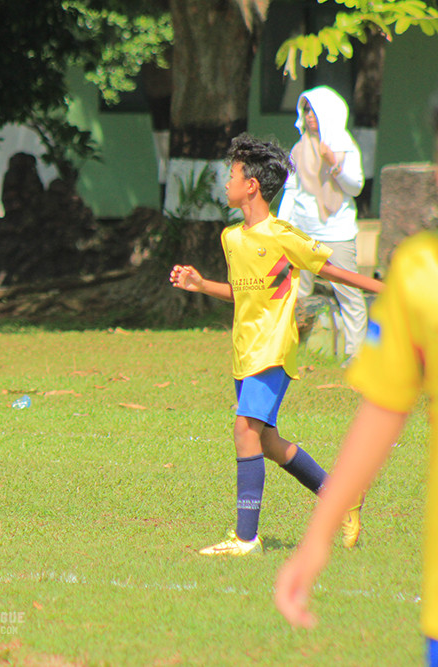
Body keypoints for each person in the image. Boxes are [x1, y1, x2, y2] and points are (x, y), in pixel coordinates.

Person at [275, 95, 438, 660]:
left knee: (348, 306)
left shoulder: (421, 272)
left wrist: (314, 542)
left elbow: (379, 419)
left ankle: (352, 355)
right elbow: (378, 418)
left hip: (337, 237)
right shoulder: (421, 275)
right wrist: (319, 537)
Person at [169, 133, 384, 556]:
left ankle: (245, 538)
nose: (225, 183)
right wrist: (200, 284)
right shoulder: (231, 238)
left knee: (243, 430)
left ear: (251, 185)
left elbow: (337, 273)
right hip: (244, 354)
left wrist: (388, 289)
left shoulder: (283, 236)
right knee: (265, 442)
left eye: (231, 175)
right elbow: (242, 291)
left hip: (273, 351)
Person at [277, 86, 368, 365]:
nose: (309, 116)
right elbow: (291, 190)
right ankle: (288, 349)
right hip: (304, 233)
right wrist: (281, 226)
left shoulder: (344, 146)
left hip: (337, 233)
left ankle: (356, 353)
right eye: (305, 110)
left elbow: (355, 187)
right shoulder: (299, 147)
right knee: (296, 293)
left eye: (314, 111)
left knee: (347, 292)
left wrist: (334, 165)